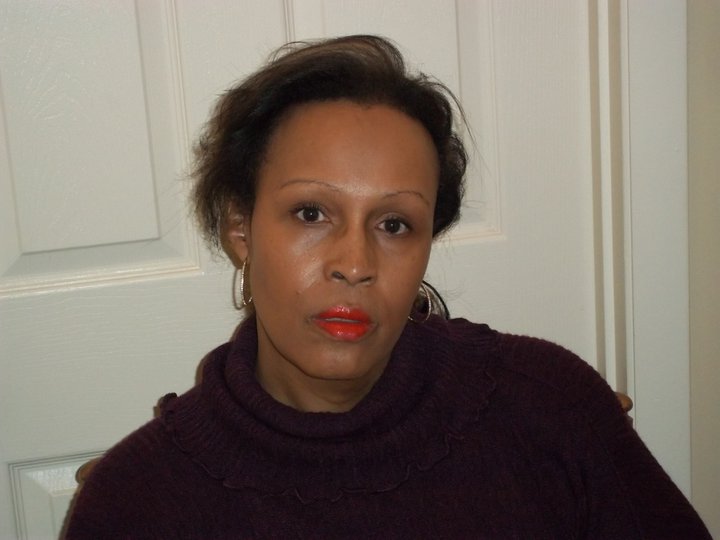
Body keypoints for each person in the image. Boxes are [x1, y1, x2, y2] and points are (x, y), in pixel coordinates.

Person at [63, 35, 710, 539]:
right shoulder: (136, 502)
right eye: (311, 213)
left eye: (394, 224)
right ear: (241, 228)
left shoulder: (550, 408)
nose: (355, 263)